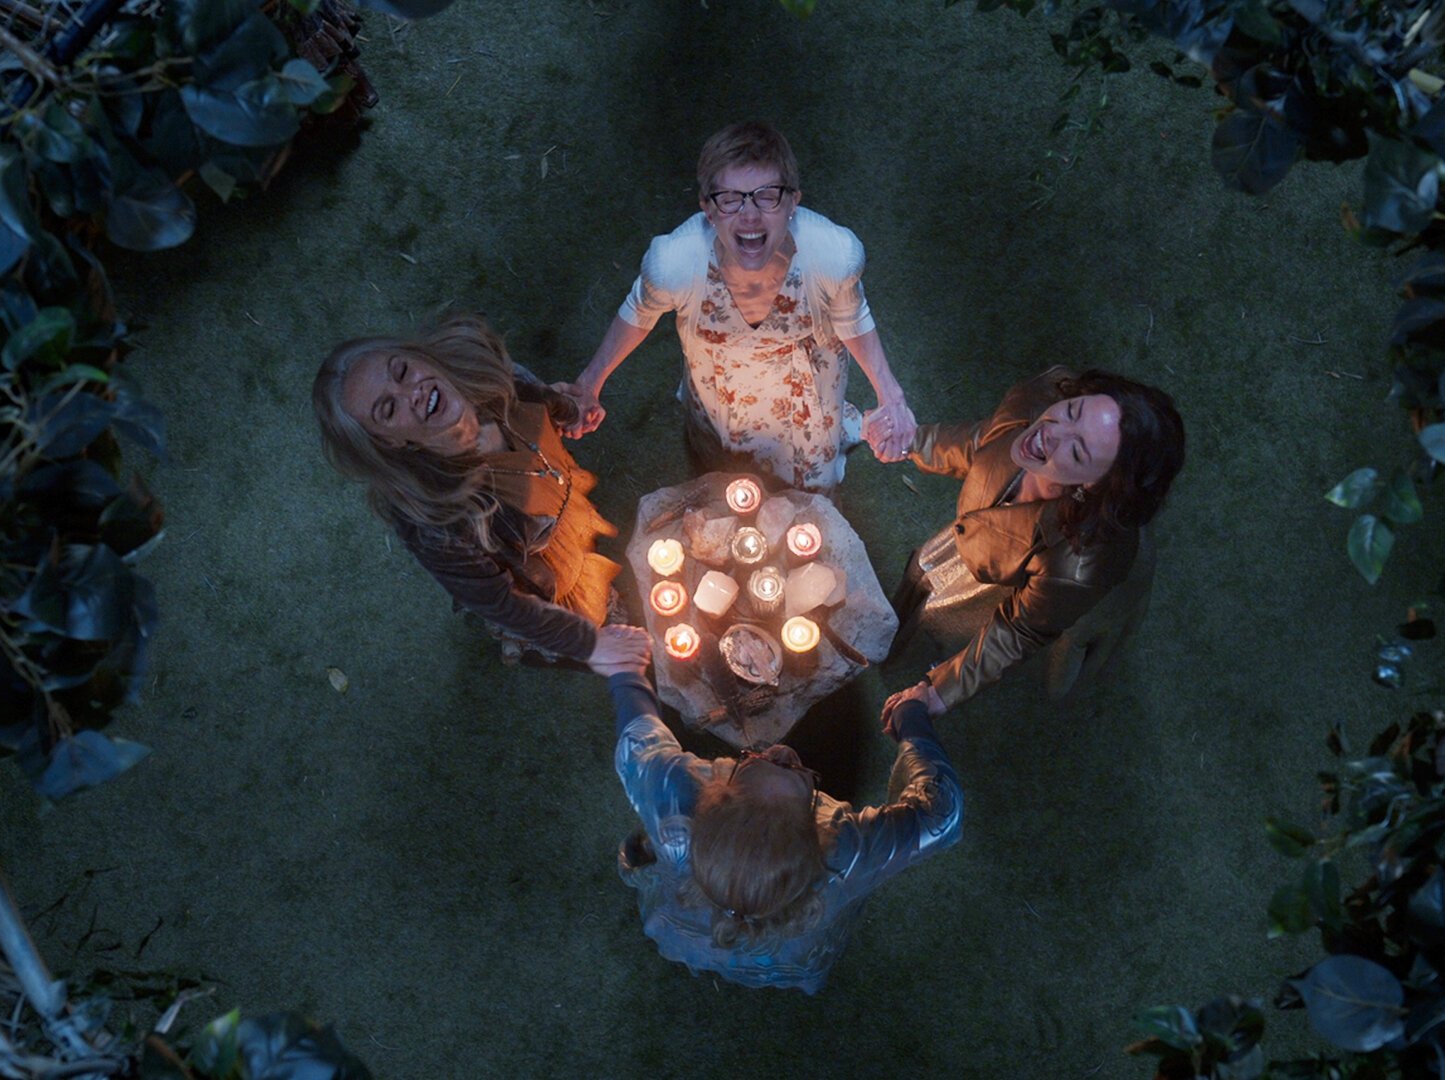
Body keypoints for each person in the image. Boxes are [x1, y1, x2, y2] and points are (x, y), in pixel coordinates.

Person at [559, 121, 915, 491]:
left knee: (808, 491)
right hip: (719, 390)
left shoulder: (832, 255)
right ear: (707, 209)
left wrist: (891, 397)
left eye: (767, 196)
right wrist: (589, 383)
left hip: (807, 388)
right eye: (730, 198)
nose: (749, 215)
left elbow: (851, 316)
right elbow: (639, 311)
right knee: (719, 470)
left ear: (793, 202)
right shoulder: (674, 263)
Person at [595, 649, 963, 994]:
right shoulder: (845, 852)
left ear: (714, 803)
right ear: (813, 834)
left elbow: (638, 743)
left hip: (687, 920)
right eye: (803, 778)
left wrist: (626, 669)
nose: (784, 750)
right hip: (791, 953)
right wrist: (912, 719)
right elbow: (942, 814)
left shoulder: (678, 805)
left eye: (757, 761)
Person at [313, 313, 650, 671]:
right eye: (389, 408)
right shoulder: (438, 526)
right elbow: (504, 603)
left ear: (420, 356)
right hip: (543, 584)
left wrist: (568, 410)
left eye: (402, 371)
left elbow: (539, 397)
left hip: (560, 506)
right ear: (388, 441)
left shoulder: (492, 377)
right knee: (588, 612)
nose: (413, 393)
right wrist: (589, 642)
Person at [880, 366, 1185, 726]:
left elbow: (1020, 630)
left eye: (1077, 451)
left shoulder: (1079, 562)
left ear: (1090, 485)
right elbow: (982, 442)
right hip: (994, 538)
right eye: (1072, 411)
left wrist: (940, 693)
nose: (1049, 433)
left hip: (1065, 583)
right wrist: (911, 441)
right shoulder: (1035, 402)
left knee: (952, 622)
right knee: (925, 569)